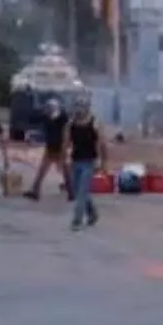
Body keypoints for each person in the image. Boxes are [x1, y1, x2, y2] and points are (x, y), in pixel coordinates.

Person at [65, 97, 106, 230]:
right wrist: (65, 158)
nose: (79, 110)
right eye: (77, 107)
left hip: (89, 161)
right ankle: (92, 213)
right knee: (78, 191)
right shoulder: (71, 124)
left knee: (82, 191)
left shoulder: (94, 123)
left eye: (82, 107)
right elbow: (66, 142)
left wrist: (101, 161)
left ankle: (77, 220)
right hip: (75, 161)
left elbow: (100, 143)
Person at [25, 99, 72, 201]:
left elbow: (67, 132)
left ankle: (71, 192)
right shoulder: (47, 117)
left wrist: (66, 146)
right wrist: (35, 110)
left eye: (49, 109)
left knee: (65, 170)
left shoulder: (63, 118)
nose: (47, 111)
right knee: (43, 170)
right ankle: (35, 191)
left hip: (60, 147)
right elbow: (32, 119)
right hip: (50, 146)